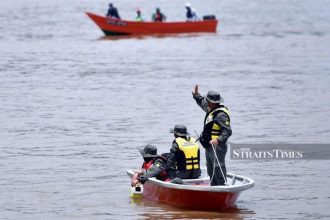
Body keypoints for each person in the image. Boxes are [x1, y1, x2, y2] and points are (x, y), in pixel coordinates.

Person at [192, 85, 232, 186]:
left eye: (208, 101)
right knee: (210, 170)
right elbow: (202, 103)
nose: (207, 102)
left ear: (212, 102)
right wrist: (196, 95)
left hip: (217, 147)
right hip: (209, 147)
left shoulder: (220, 115)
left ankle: (222, 188)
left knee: (218, 168)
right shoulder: (211, 109)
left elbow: (227, 131)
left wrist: (218, 140)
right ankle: (214, 187)